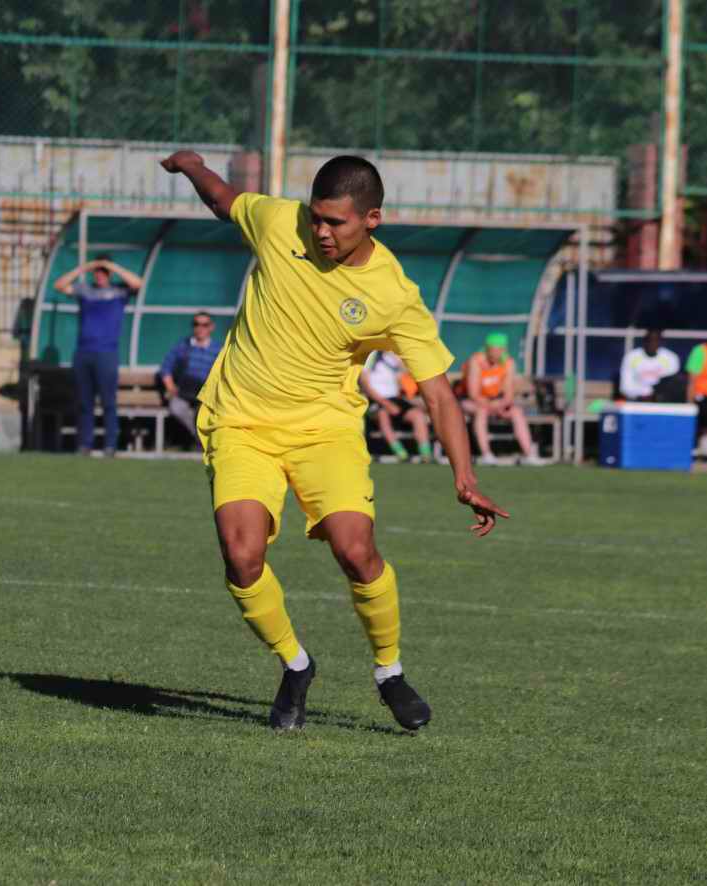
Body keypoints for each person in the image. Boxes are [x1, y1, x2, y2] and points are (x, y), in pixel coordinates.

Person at [160, 150, 507, 732]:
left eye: (335, 222)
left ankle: (389, 671)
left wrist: (464, 477)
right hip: (241, 421)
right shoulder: (280, 222)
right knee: (242, 557)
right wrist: (193, 166)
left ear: (372, 219)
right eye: (316, 217)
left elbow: (439, 394)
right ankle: (295, 664)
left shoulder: (393, 294)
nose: (320, 231)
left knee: (356, 551)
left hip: (325, 431)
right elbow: (224, 200)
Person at [53, 255, 145, 456]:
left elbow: (138, 283)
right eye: (98, 271)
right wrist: (85, 267)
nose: (100, 275)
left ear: (109, 273)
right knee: (84, 402)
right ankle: (84, 444)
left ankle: (110, 445)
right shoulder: (85, 290)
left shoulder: (119, 291)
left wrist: (112, 266)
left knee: (108, 402)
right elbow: (59, 285)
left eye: (104, 272)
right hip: (83, 353)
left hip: (107, 354)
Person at [459, 333, 543, 466]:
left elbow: (508, 394)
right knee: (481, 412)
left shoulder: (508, 363)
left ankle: (529, 455)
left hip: (495, 402)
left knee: (516, 412)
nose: (496, 353)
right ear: (487, 349)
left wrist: (500, 405)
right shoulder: (476, 361)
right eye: (493, 350)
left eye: (499, 350)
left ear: (504, 349)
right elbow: (473, 394)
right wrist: (491, 406)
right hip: (472, 401)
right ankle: (486, 455)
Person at [159, 312, 223, 442]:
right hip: (184, 392)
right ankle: (199, 437)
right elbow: (166, 368)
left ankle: (204, 439)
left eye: (204, 325)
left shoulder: (218, 349)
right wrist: (171, 387)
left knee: (208, 412)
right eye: (196, 324)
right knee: (176, 407)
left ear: (211, 327)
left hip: (207, 394)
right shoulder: (183, 346)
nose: (200, 328)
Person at [359, 350, 432, 462]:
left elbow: (405, 374)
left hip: (395, 399)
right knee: (383, 415)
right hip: (376, 400)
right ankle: (401, 453)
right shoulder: (371, 356)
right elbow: (365, 384)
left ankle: (426, 455)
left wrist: (396, 358)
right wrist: (385, 403)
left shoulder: (392, 355)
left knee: (418, 415)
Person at [619, 328, 681, 402]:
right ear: (644, 341)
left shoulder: (671, 357)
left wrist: (654, 395)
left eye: (656, 340)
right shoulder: (631, 357)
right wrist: (644, 394)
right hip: (636, 400)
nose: (652, 343)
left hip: (662, 400)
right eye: (649, 340)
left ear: (661, 342)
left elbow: (673, 384)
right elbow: (625, 386)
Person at [686, 340, 707, 456]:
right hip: (701, 396)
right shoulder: (700, 351)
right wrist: (689, 403)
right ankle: (697, 447)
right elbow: (692, 381)